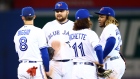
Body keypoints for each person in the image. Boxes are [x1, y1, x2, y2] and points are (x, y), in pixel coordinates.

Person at [14, 7, 49, 79]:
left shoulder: (17, 33)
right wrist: (47, 69)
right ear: (34, 16)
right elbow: (44, 54)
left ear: (22, 17)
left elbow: (17, 51)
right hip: (35, 67)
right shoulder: (38, 31)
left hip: (22, 67)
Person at [42, 1, 74, 79]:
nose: (59, 13)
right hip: (54, 63)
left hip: (70, 63)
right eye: (57, 11)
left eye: (61, 11)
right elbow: (40, 44)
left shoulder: (74, 26)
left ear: (67, 12)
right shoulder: (48, 26)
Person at [69, 9, 103, 79]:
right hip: (88, 69)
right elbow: (98, 49)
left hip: (74, 69)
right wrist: (101, 62)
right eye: (88, 18)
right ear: (87, 19)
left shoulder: (70, 34)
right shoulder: (90, 33)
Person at [95, 7, 126, 79]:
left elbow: (111, 42)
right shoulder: (115, 28)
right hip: (116, 61)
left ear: (109, 18)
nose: (99, 19)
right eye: (99, 17)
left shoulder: (109, 27)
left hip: (111, 63)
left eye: (102, 17)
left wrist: (101, 58)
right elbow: (119, 46)